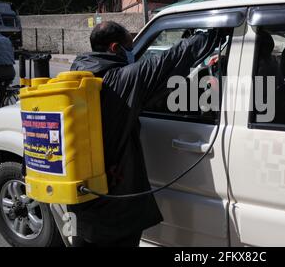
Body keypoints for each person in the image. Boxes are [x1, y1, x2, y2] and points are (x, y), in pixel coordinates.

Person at [68, 21, 221, 247]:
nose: (132, 54)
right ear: (114, 48)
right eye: (129, 47)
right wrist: (211, 34)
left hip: (80, 200)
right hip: (114, 202)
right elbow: (170, 61)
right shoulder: (120, 80)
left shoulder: (74, 78)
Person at [0, 24, 15, 108]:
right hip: (11, 71)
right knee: (3, 86)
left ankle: (1, 105)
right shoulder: (7, 39)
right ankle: (1, 104)